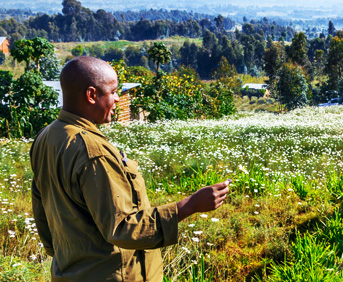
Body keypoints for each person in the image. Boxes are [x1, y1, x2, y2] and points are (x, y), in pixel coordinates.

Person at [30, 56, 231, 281]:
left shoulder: (47, 136)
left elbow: (41, 208)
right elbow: (122, 227)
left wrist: (63, 256)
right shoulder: (92, 151)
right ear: (91, 95)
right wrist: (189, 206)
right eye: (113, 91)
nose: (117, 98)